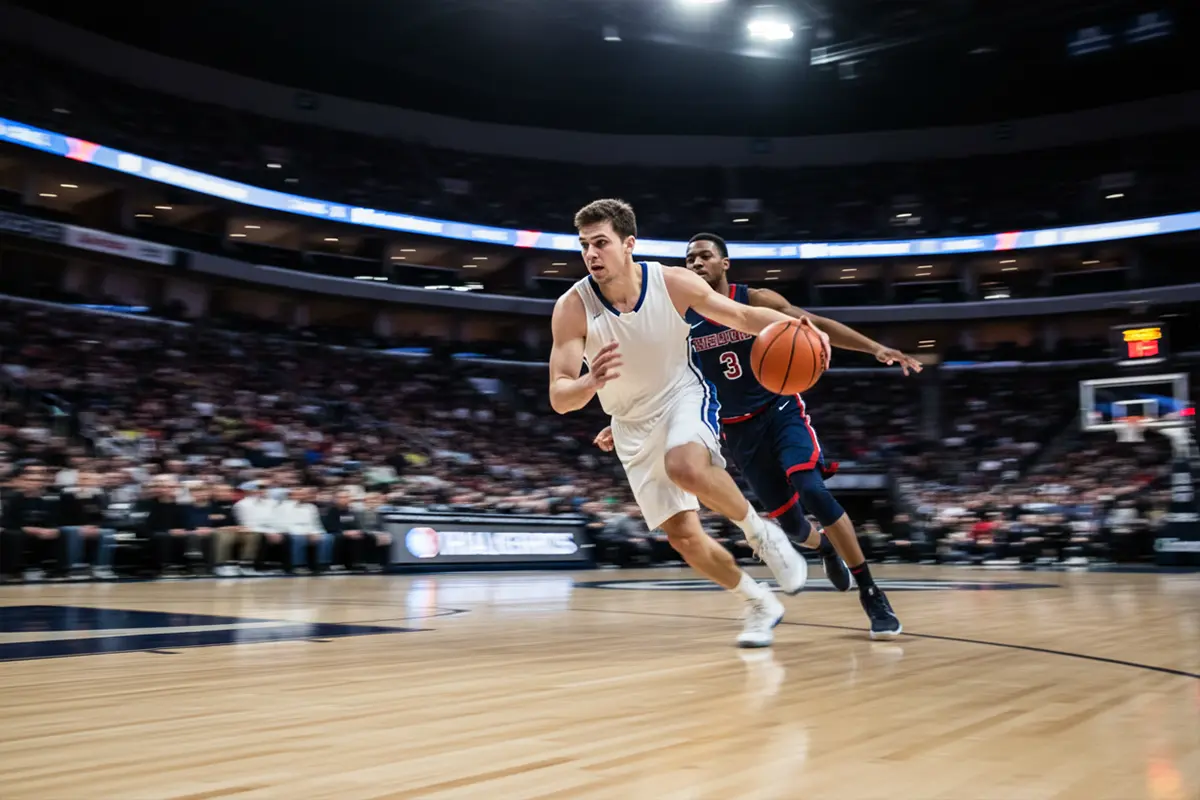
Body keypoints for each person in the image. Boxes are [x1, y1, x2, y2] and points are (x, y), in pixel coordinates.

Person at [549, 199, 825, 648]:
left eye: (601, 243)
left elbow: (744, 316)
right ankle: (758, 602)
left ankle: (762, 534)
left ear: (628, 244)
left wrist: (804, 330)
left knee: (685, 466)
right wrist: (588, 383)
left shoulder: (671, 282)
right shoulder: (572, 307)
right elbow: (559, 396)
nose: (591, 254)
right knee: (684, 539)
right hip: (629, 423)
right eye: (584, 246)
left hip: (683, 397)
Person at [643, 232, 918, 637]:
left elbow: (815, 325)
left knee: (812, 490)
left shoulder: (756, 300)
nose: (696, 264)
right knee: (789, 526)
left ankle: (870, 591)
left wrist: (876, 349)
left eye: (705, 257)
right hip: (735, 429)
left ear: (725, 264)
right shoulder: (680, 316)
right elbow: (659, 375)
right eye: (690, 260)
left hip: (780, 409)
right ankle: (825, 548)